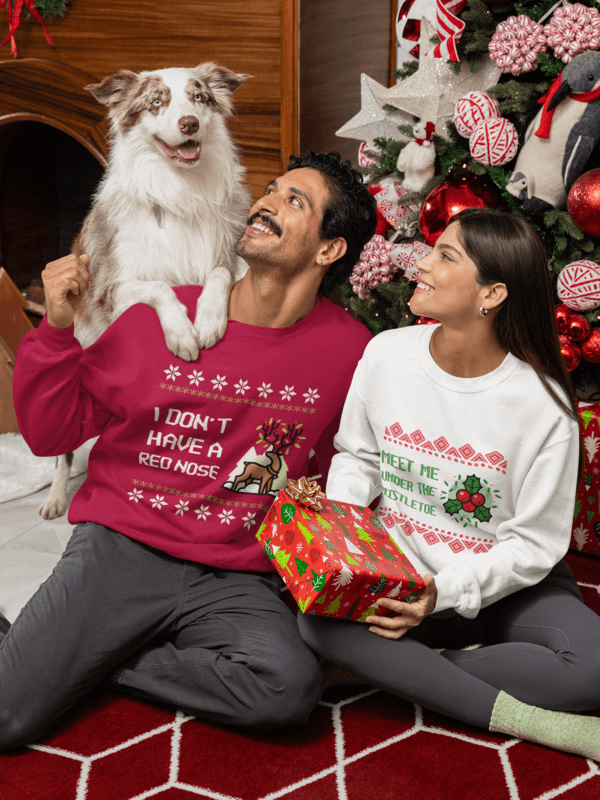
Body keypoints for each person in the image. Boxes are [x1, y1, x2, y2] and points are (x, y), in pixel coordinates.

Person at [6, 151, 376, 749]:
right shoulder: (160, 316)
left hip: (235, 573)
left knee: (286, 688)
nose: (266, 203)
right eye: (272, 189)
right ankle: (62, 648)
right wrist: (55, 327)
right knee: (6, 718)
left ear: (329, 250)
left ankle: (95, 655)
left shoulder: (353, 353)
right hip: (124, 543)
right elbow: (52, 434)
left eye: (294, 201)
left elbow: (343, 472)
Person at [297, 207, 600, 761]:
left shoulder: (545, 409)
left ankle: (383, 671)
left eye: (445, 255)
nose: (421, 263)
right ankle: (526, 719)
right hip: (400, 570)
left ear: (491, 295)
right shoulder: (387, 353)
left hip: (508, 581)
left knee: (594, 671)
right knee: (315, 621)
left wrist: (444, 592)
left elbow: (534, 545)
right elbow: (357, 457)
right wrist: (343, 540)